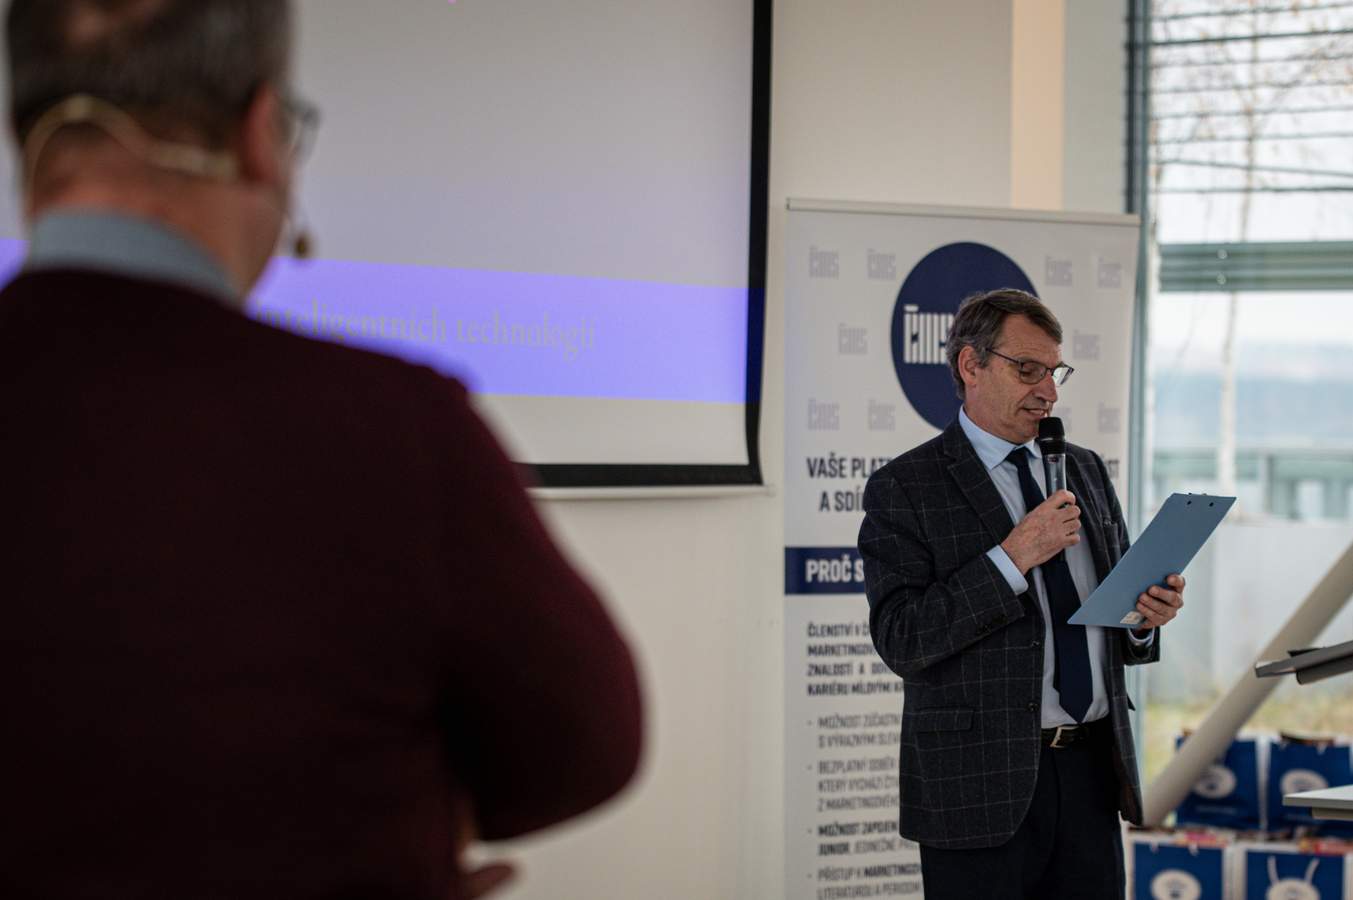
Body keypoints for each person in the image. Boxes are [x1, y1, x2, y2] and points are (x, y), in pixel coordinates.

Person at [0, 2, 642, 899]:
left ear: (24, 141)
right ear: (262, 136)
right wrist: (399, 830)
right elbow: (586, 745)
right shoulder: (396, 429)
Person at [858, 289, 1185, 899]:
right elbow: (904, 638)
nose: (1049, 392)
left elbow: (1109, 617)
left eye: (1055, 372)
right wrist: (1012, 557)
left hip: (1090, 773)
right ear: (971, 365)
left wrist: (1144, 618)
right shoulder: (905, 486)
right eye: (1028, 370)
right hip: (977, 786)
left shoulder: (1084, 468)